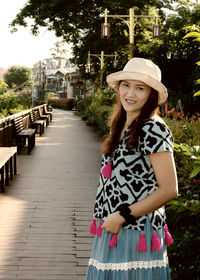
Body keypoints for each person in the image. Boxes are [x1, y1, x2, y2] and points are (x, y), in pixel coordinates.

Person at [86, 57, 178, 280]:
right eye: (126, 85)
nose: (130, 93)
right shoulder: (124, 124)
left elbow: (169, 189)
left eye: (140, 88)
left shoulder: (153, 128)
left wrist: (122, 216)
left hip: (135, 229)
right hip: (114, 226)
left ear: (151, 94)